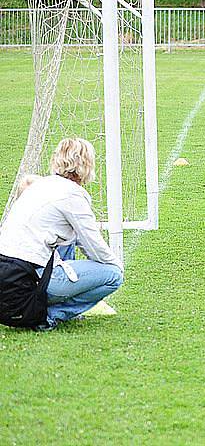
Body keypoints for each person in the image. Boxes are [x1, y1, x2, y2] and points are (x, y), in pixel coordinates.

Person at [0, 137, 124, 330]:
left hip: (6, 276)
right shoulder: (73, 195)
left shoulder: (39, 185)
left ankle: (41, 307)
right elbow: (94, 246)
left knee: (67, 239)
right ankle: (48, 317)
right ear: (87, 165)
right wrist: (117, 265)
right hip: (26, 282)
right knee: (113, 275)